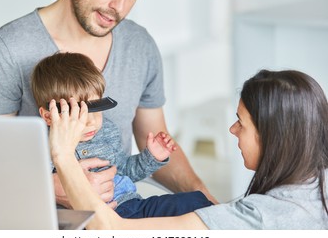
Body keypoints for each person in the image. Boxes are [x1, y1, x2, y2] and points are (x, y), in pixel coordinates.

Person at [0, 0, 213, 208]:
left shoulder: (140, 45)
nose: (119, 5)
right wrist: (52, 186)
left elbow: (156, 137)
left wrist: (210, 204)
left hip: (120, 210)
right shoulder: (8, 49)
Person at [48, 69, 328, 229]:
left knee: (195, 200)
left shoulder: (258, 217)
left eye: (241, 123)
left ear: (274, 136)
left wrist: (63, 154)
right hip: (99, 215)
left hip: (123, 212)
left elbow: (112, 231)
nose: (232, 129)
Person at [31, 51, 213, 218]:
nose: (91, 121)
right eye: (79, 113)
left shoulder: (107, 131)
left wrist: (151, 157)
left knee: (196, 202)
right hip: (84, 220)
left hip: (131, 206)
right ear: (48, 115)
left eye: (97, 109)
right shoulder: (42, 145)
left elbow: (124, 171)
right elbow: (33, 189)